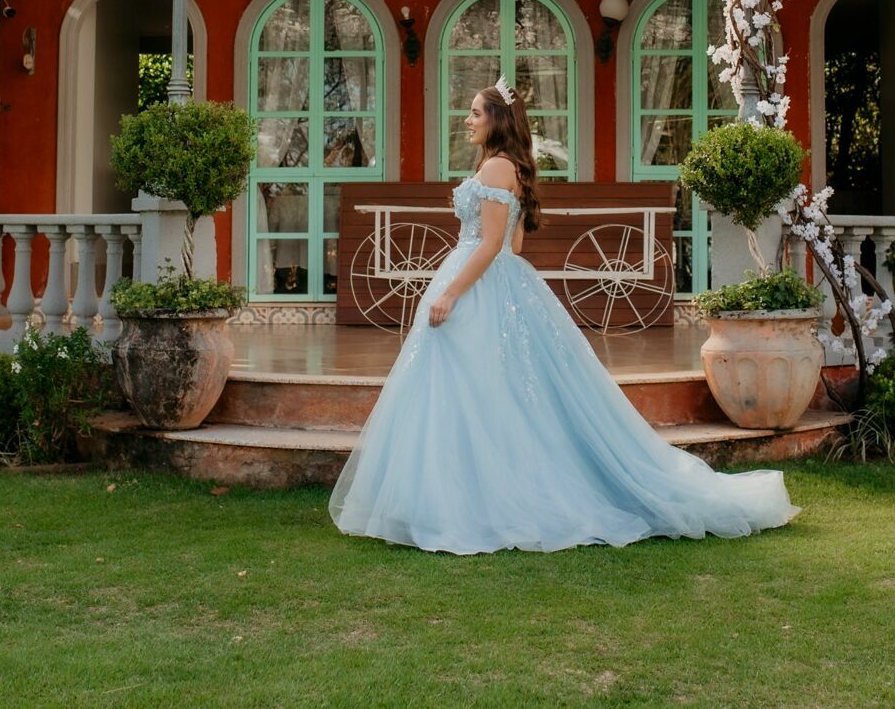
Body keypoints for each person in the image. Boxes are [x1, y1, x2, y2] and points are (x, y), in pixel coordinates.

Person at [329, 77, 801, 554]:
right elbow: (512, 244)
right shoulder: (505, 167)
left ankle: (471, 500)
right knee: (485, 391)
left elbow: (493, 244)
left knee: (473, 389)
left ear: (497, 120)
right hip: (497, 284)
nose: (467, 120)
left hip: (476, 284)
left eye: (475, 112)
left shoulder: (495, 167)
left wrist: (450, 293)